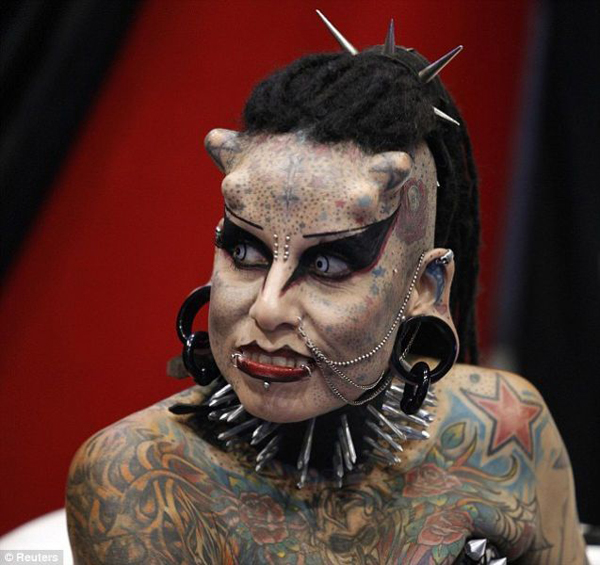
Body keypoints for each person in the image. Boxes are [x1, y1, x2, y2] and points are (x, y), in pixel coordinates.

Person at [66, 14, 587, 564]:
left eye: (326, 264)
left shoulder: (502, 430)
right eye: (245, 253)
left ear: (425, 285)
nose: (267, 309)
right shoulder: (141, 479)